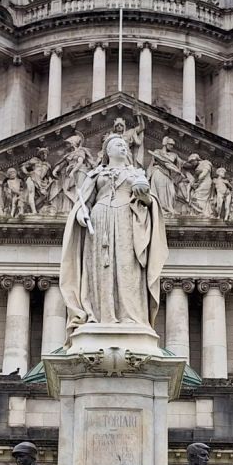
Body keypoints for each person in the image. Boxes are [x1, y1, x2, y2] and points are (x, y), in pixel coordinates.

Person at [59, 128, 168, 332]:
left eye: (125, 146)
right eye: (118, 144)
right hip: (100, 221)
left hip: (127, 220)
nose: (124, 147)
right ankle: (100, 314)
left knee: (128, 267)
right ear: (108, 151)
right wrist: (81, 214)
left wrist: (144, 195)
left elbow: (148, 200)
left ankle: (130, 316)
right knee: (100, 267)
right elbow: (85, 201)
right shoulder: (96, 173)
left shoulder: (136, 173)